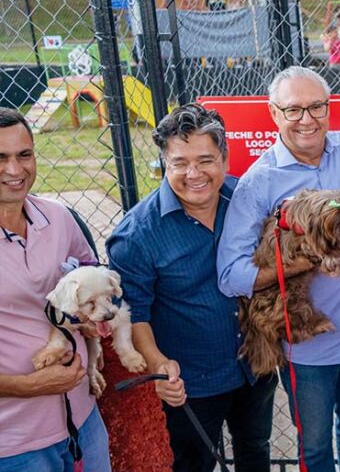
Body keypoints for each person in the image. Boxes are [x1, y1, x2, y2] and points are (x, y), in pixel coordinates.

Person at [216, 66, 340, 471]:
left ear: (328, 108)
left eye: (316, 107)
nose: (307, 119)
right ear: (274, 114)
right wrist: (301, 263)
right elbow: (230, 273)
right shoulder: (260, 181)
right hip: (308, 346)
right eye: (293, 110)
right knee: (317, 445)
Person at [107, 104, 276, 472]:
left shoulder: (249, 199)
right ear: (163, 163)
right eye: (180, 162)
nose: (194, 174)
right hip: (191, 381)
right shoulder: (136, 235)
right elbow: (133, 313)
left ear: (225, 158)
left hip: (255, 364)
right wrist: (157, 365)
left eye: (206, 160)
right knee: (193, 464)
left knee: (256, 450)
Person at [0, 107, 111, 470]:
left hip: (83, 417)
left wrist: (95, 311)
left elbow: (90, 267)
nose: (15, 170)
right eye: (0, 158)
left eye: (24, 155)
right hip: (15, 442)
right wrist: (28, 385)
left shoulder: (59, 217)